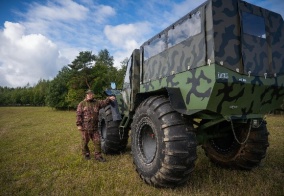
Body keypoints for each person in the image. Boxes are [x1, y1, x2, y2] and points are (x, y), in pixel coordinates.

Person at [76, 89, 116, 162]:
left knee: (97, 142)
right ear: (86, 95)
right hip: (85, 128)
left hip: (95, 128)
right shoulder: (82, 104)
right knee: (84, 142)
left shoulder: (97, 102)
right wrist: (79, 125)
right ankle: (86, 154)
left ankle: (98, 156)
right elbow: (79, 114)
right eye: (89, 94)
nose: (90, 95)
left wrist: (109, 99)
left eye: (91, 94)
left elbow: (104, 102)